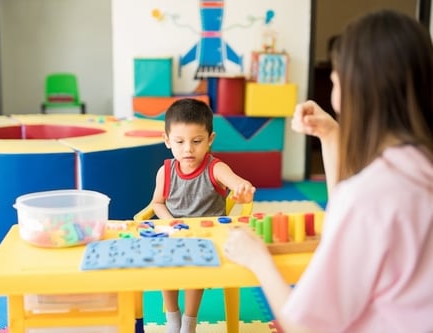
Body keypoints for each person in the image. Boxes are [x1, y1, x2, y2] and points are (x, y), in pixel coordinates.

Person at [224, 9, 433, 333]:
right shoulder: (417, 171)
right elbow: (352, 225)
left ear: (357, 91)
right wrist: (332, 136)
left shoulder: (369, 196)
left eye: (335, 82)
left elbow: (306, 327)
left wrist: (257, 259)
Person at [150, 98, 256, 333]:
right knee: (162, 263)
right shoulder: (165, 171)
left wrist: (242, 189)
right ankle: (172, 318)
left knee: (191, 268)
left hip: (207, 238)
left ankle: (189, 322)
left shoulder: (215, 168)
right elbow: (157, 203)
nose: (188, 149)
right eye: (179, 141)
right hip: (175, 233)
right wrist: (170, 220)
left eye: (196, 141)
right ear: (167, 141)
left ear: (210, 140)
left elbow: (237, 182)